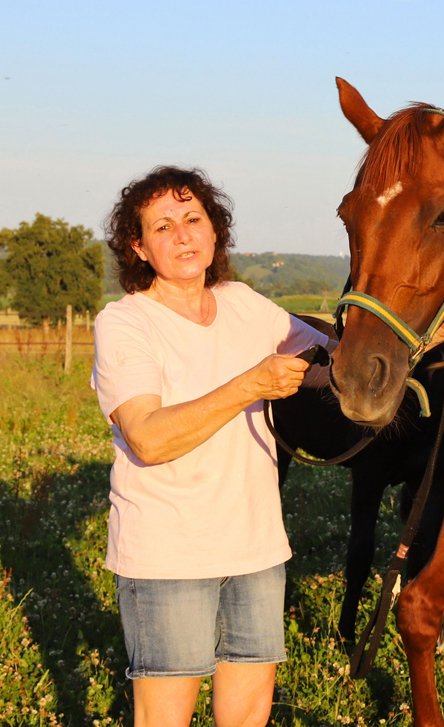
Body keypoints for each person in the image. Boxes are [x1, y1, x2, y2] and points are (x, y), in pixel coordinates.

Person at [92, 165, 332, 726]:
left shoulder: (244, 303)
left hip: (256, 551)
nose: (183, 236)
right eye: (163, 226)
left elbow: (328, 361)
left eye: (193, 219)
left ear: (215, 229)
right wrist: (251, 384)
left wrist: (401, 344)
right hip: (167, 556)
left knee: (247, 716)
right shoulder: (125, 323)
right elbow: (149, 438)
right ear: (138, 248)